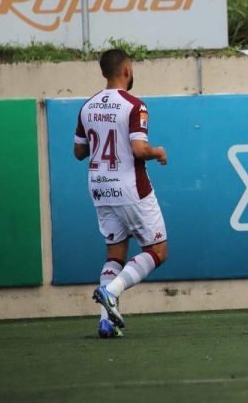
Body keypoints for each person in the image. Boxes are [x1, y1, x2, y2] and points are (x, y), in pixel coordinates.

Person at [73, 49, 169, 337]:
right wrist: (157, 152)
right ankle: (111, 291)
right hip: (130, 187)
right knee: (157, 250)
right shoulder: (134, 105)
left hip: (100, 187)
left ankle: (106, 321)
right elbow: (139, 149)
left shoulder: (87, 107)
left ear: (104, 72)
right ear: (126, 70)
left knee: (115, 253)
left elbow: (79, 151)